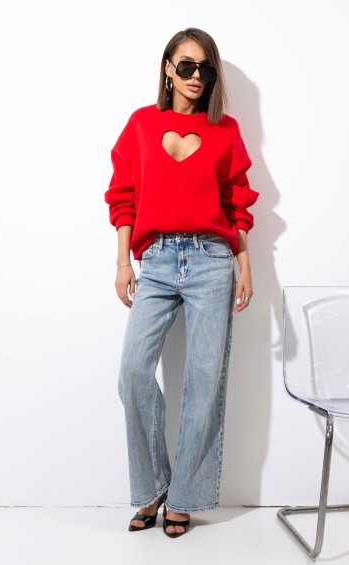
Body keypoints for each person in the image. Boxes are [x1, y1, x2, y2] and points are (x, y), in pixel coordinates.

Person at [104, 27, 258, 538]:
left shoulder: (225, 131)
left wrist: (245, 265)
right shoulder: (142, 124)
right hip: (156, 260)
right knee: (132, 372)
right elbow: (123, 195)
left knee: (204, 381)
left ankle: (186, 497)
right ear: (168, 69)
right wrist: (123, 262)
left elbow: (237, 204)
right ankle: (153, 487)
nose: (196, 76)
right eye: (186, 66)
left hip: (213, 259)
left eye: (205, 68)